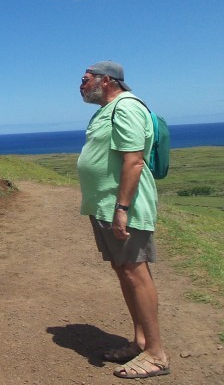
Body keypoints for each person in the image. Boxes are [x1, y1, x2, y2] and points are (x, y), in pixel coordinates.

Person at [76, 60, 170, 379]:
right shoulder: (107, 109)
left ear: (108, 80)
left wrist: (122, 208)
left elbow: (133, 161)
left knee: (135, 272)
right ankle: (141, 342)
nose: (81, 84)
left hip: (121, 207)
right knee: (124, 271)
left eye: (86, 79)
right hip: (105, 205)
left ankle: (155, 354)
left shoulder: (126, 107)